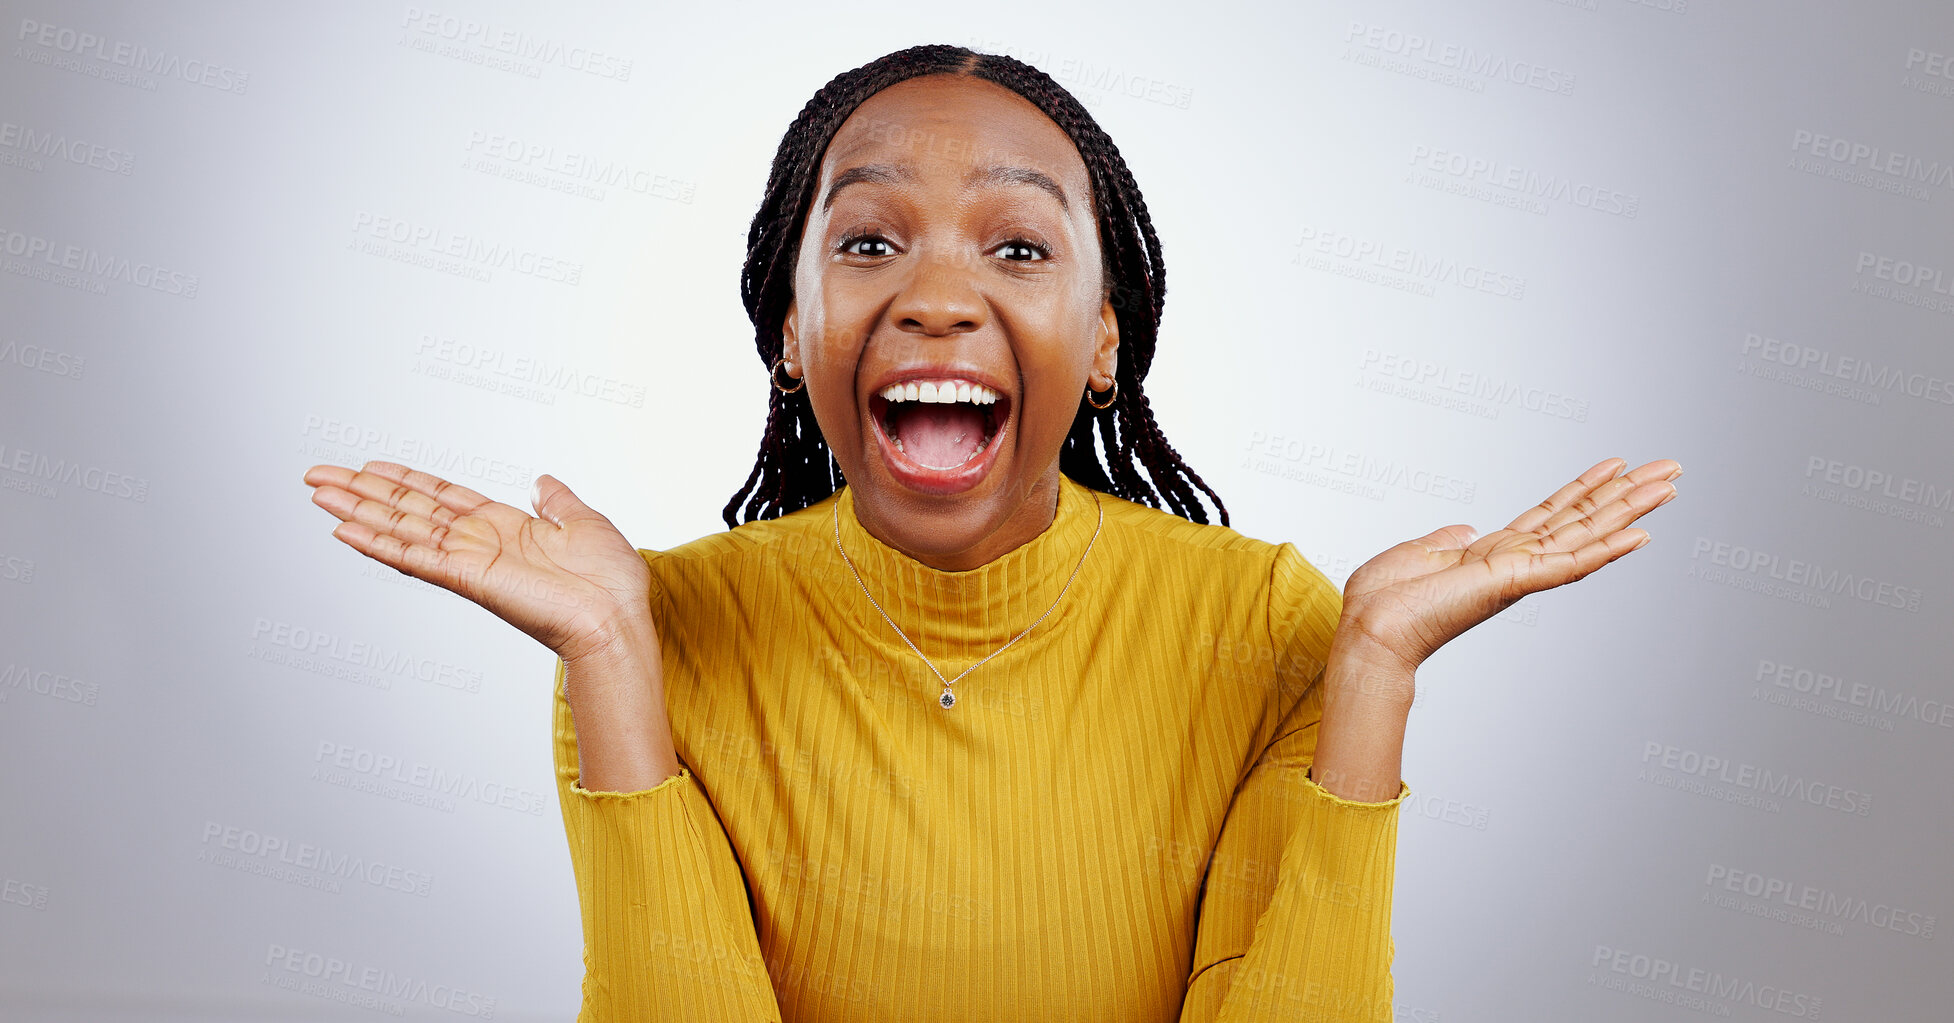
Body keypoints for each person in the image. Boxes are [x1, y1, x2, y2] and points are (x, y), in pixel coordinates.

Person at [303, 43, 1680, 1023]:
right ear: (792, 336)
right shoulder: (653, 625)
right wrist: (608, 650)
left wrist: (1375, 666)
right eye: (868, 244)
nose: (939, 297)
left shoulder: (1263, 619)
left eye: (1016, 250)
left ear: (1098, 341)